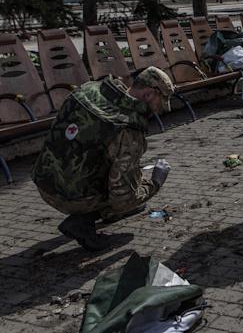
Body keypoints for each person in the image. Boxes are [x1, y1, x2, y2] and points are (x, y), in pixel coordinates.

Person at [32, 66, 175, 251]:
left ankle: (103, 211)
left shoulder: (88, 89)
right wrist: (156, 182)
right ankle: (82, 222)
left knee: (120, 175)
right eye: (162, 100)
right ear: (149, 94)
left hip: (43, 180)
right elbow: (124, 197)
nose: (162, 108)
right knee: (127, 195)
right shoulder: (127, 128)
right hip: (69, 197)